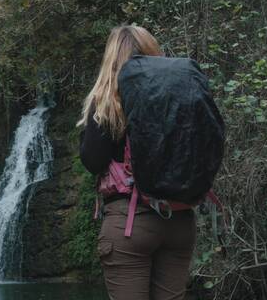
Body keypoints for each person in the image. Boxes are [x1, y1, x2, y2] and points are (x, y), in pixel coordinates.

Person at [78, 25, 196, 300]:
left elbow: (93, 161)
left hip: (131, 224)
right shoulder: (179, 95)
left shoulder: (109, 100)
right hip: (179, 219)